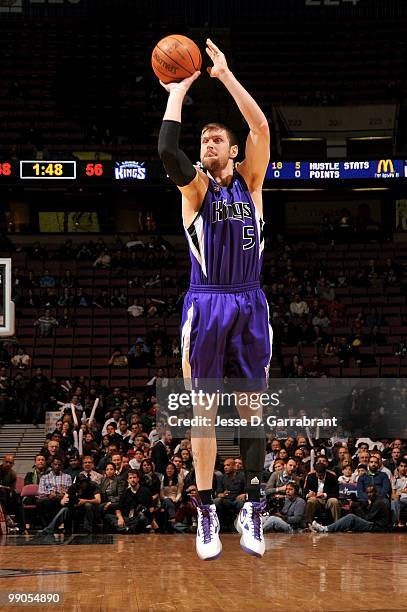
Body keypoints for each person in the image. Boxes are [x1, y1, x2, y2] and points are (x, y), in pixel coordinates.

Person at [158, 39, 272, 560]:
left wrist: (223, 75)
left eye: (216, 137)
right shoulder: (196, 192)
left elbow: (262, 128)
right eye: (203, 137)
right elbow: (166, 150)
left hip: (248, 303)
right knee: (202, 412)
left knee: (252, 410)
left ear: (232, 150)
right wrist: (178, 92)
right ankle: (206, 509)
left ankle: (250, 506)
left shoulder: (250, 184)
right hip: (206, 305)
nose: (207, 140)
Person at [312, 485, 390, 533]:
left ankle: (326, 529)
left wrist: (357, 508)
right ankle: (328, 528)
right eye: (368, 492)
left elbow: (367, 518)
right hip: (374, 525)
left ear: (375, 492)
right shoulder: (373, 502)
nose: (369, 494)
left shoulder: (378, 502)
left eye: (371, 492)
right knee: (350, 517)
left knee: (351, 517)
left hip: (377, 527)